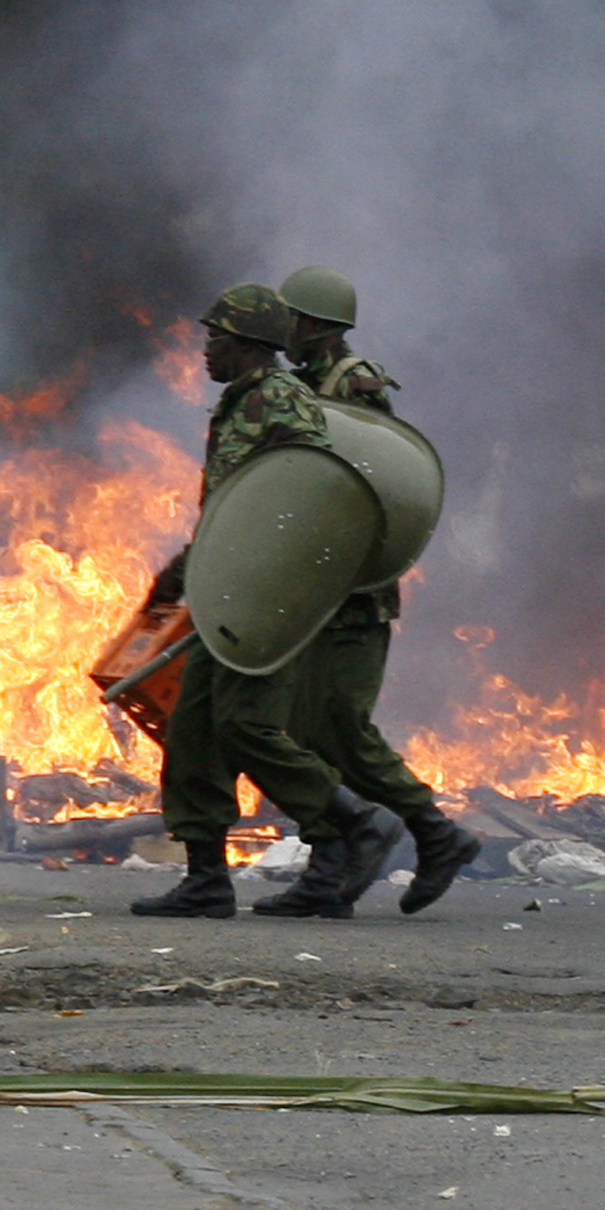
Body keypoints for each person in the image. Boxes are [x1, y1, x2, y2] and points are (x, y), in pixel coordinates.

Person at [131, 284, 403, 919]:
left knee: (244, 725)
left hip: (265, 598)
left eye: (215, 338)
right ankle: (205, 879)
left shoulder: (282, 401)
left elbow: (314, 488)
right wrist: (181, 574)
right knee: (194, 728)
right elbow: (230, 512)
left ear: (249, 344)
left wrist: (278, 579)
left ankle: (352, 821)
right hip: (225, 591)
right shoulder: (238, 403)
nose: (205, 350)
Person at [248, 265, 480, 919]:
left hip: (353, 595)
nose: (284, 330)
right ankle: (328, 872)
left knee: (343, 729)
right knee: (306, 733)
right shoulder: (303, 384)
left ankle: (438, 835)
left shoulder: (355, 386)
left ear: (316, 324)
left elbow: (374, 480)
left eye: (292, 318)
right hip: (316, 586)